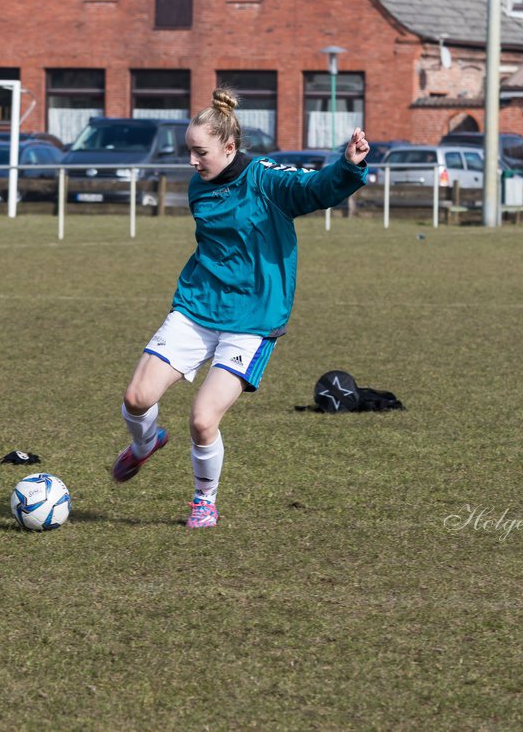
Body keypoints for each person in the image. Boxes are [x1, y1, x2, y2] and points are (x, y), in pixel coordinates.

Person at [111, 88, 371, 529]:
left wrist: (348, 166)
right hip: (198, 306)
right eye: (188, 152)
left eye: (200, 152)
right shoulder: (200, 185)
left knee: (201, 420)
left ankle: (203, 500)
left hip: (251, 320)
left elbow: (313, 188)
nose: (192, 162)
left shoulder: (266, 179)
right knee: (136, 398)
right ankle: (144, 445)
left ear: (229, 147)